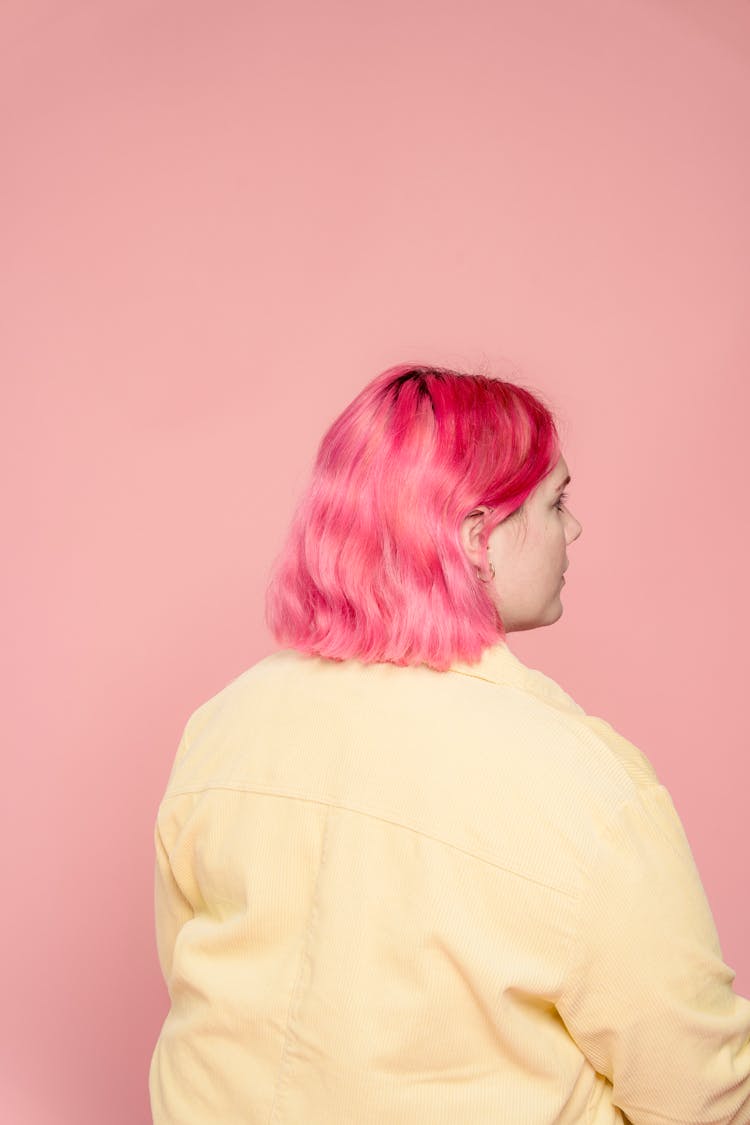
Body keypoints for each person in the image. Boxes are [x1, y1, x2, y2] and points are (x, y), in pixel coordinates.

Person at [149, 363, 750, 1125]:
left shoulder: (223, 724)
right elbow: (701, 1092)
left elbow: (200, 981)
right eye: (556, 501)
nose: (575, 528)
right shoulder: (582, 783)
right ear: (476, 538)